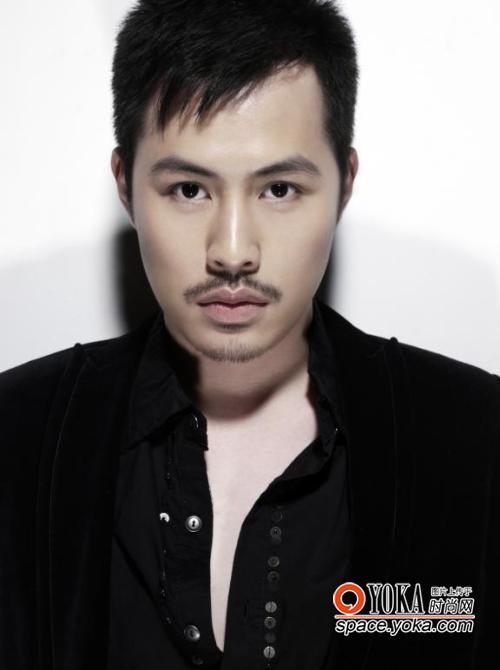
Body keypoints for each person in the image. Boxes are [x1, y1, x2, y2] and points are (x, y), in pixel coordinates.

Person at [1, 1, 498, 668]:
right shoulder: (16, 436)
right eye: (188, 189)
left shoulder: (475, 441)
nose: (233, 252)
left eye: (280, 189)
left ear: (344, 186)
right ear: (125, 186)